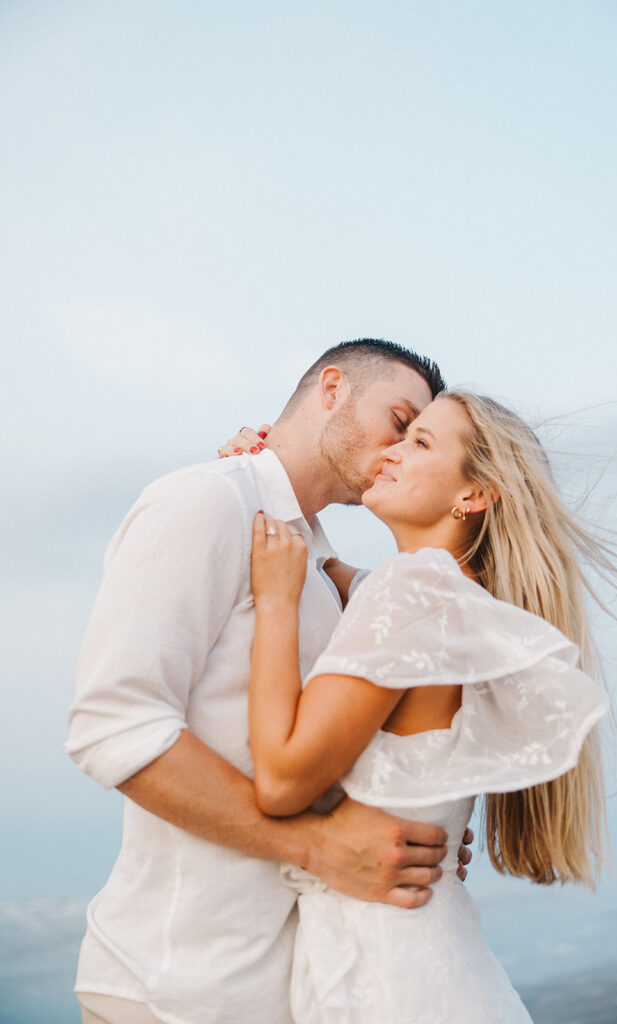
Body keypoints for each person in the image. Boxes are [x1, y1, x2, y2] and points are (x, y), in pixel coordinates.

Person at [65, 339, 475, 1024]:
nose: (400, 450)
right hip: (175, 986)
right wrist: (316, 847)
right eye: (399, 421)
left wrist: (413, 819)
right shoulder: (205, 502)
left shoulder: (324, 563)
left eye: (421, 440)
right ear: (333, 388)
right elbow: (113, 728)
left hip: (291, 988)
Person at [244, 390, 611, 1023]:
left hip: (384, 977)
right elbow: (342, 576)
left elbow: (280, 780)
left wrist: (276, 603)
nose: (390, 452)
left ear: (474, 495)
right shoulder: (457, 601)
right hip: (437, 961)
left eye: (420, 443)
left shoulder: (411, 590)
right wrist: (264, 468)